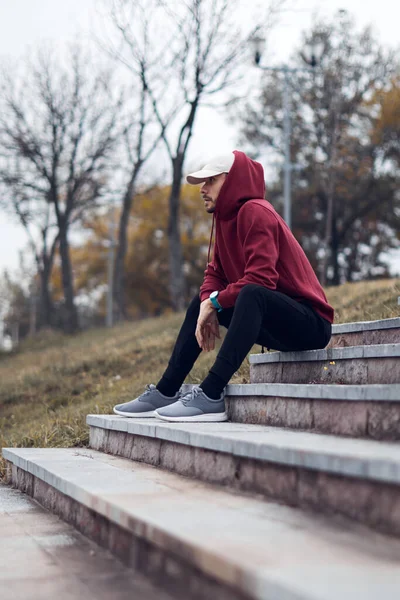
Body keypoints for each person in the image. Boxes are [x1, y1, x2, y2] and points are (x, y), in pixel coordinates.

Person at [113, 150, 334, 423]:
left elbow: (261, 279)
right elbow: (214, 273)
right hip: (277, 325)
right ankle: (166, 390)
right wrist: (208, 302)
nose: (203, 190)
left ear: (232, 181)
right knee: (200, 301)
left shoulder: (256, 212)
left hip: (310, 325)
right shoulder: (224, 219)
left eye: (211, 181)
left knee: (252, 293)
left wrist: (216, 303)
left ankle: (211, 394)